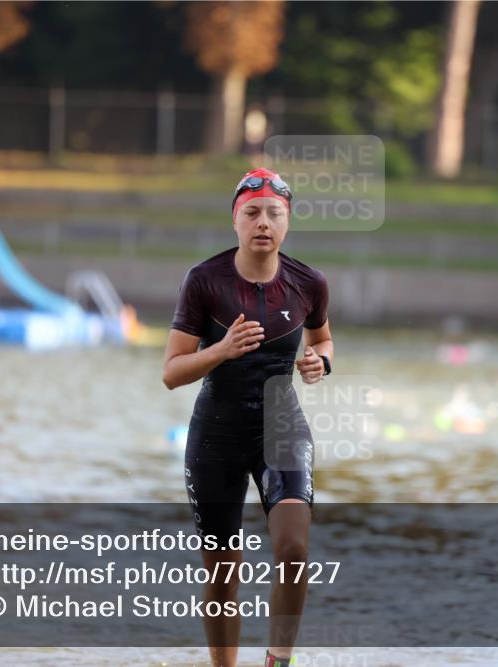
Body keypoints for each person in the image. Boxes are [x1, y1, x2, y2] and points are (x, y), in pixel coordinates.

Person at [163, 168, 333, 667]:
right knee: (222, 573)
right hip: (216, 434)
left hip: (281, 426)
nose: (263, 223)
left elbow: (323, 339)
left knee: (294, 547)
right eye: (252, 213)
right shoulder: (204, 281)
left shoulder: (309, 282)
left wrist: (319, 362)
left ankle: (278, 661)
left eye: (274, 214)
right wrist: (221, 350)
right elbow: (171, 372)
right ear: (235, 220)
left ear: (287, 222)